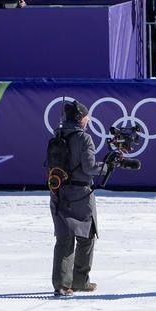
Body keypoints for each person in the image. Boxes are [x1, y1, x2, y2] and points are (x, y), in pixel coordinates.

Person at [48, 100, 108, 297]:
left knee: (64, 238)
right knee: (87, 236)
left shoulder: (57, 135)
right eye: (86, 118)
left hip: (58, 191)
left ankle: (61, 285)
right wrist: (107, 166)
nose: (87, 121)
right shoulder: (84, 138)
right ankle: (80, 281)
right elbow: (90, 168)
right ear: (79, 118)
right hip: (80, 194)